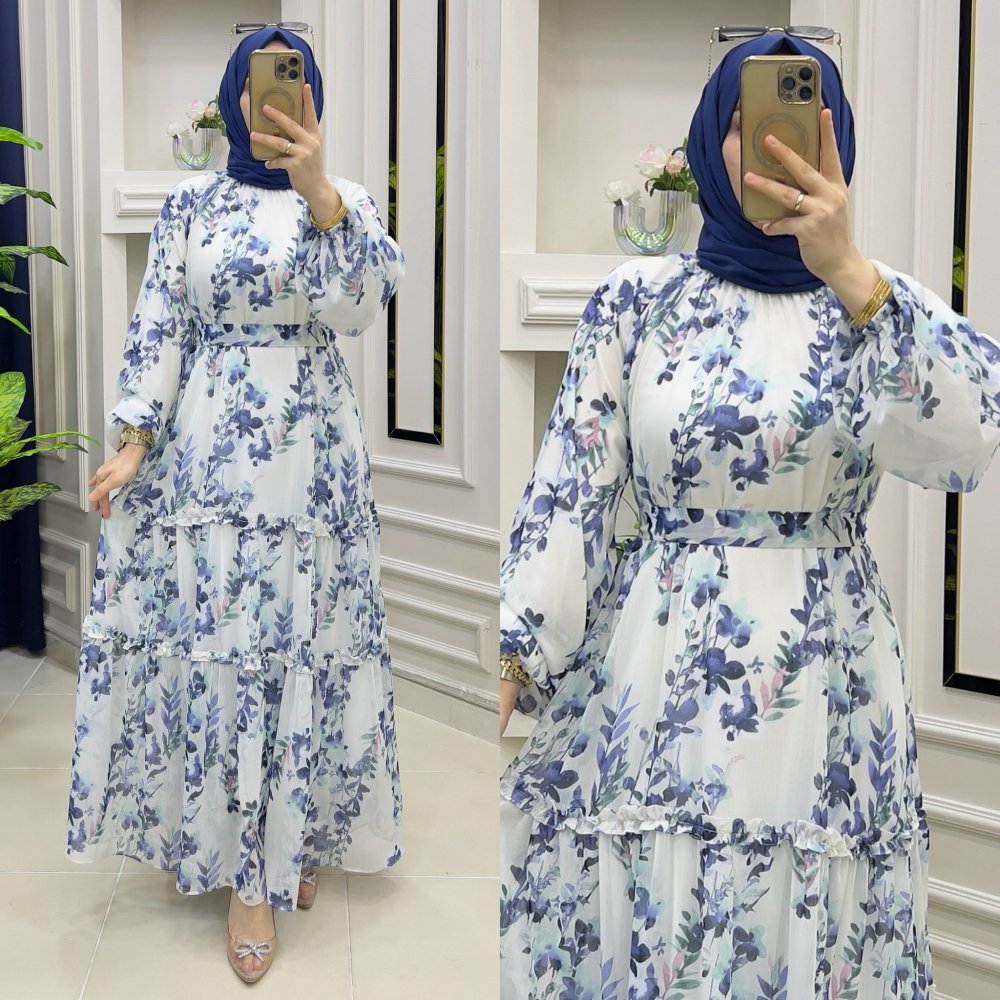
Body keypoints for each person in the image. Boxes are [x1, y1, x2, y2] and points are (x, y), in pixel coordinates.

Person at [498, 32, 1000, 999]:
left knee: (814, 922)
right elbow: (574, 479)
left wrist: (848, 269)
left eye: (804, 122)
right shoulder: (637, 301)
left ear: (837, 142)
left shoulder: (875, 302)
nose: (771, 144)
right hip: (660, 661)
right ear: (706, 143)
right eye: (743, 123)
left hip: (827, 673)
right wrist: (525, 643)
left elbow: (970, 436)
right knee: (667, 908)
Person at [66, 26, 404, 984]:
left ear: (312, 100)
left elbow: (363, 304)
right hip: (210, 460)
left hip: (313, 465)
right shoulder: (190, 207)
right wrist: (133, 440)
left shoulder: (344, 202)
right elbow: (161, 322)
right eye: (260, 86)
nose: (274, 102)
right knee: (229, 649)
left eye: (293, 86)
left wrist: (320, 192)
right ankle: (246, 872)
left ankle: (291, 836)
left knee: (307, 644)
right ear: (234, 98)